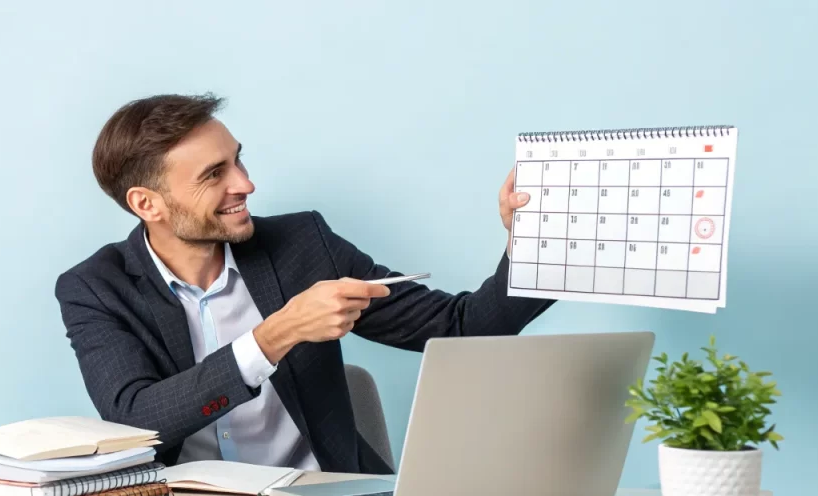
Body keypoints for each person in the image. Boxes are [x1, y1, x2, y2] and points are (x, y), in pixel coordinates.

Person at [54, 93, 553, 475]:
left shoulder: (301, 244)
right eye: (215, 174)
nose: (245, 184)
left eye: (238, 160)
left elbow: (460, 326)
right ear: (147, 204)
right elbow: (139, 422)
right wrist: (276, 335)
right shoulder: (95, 288)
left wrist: (536, 243)